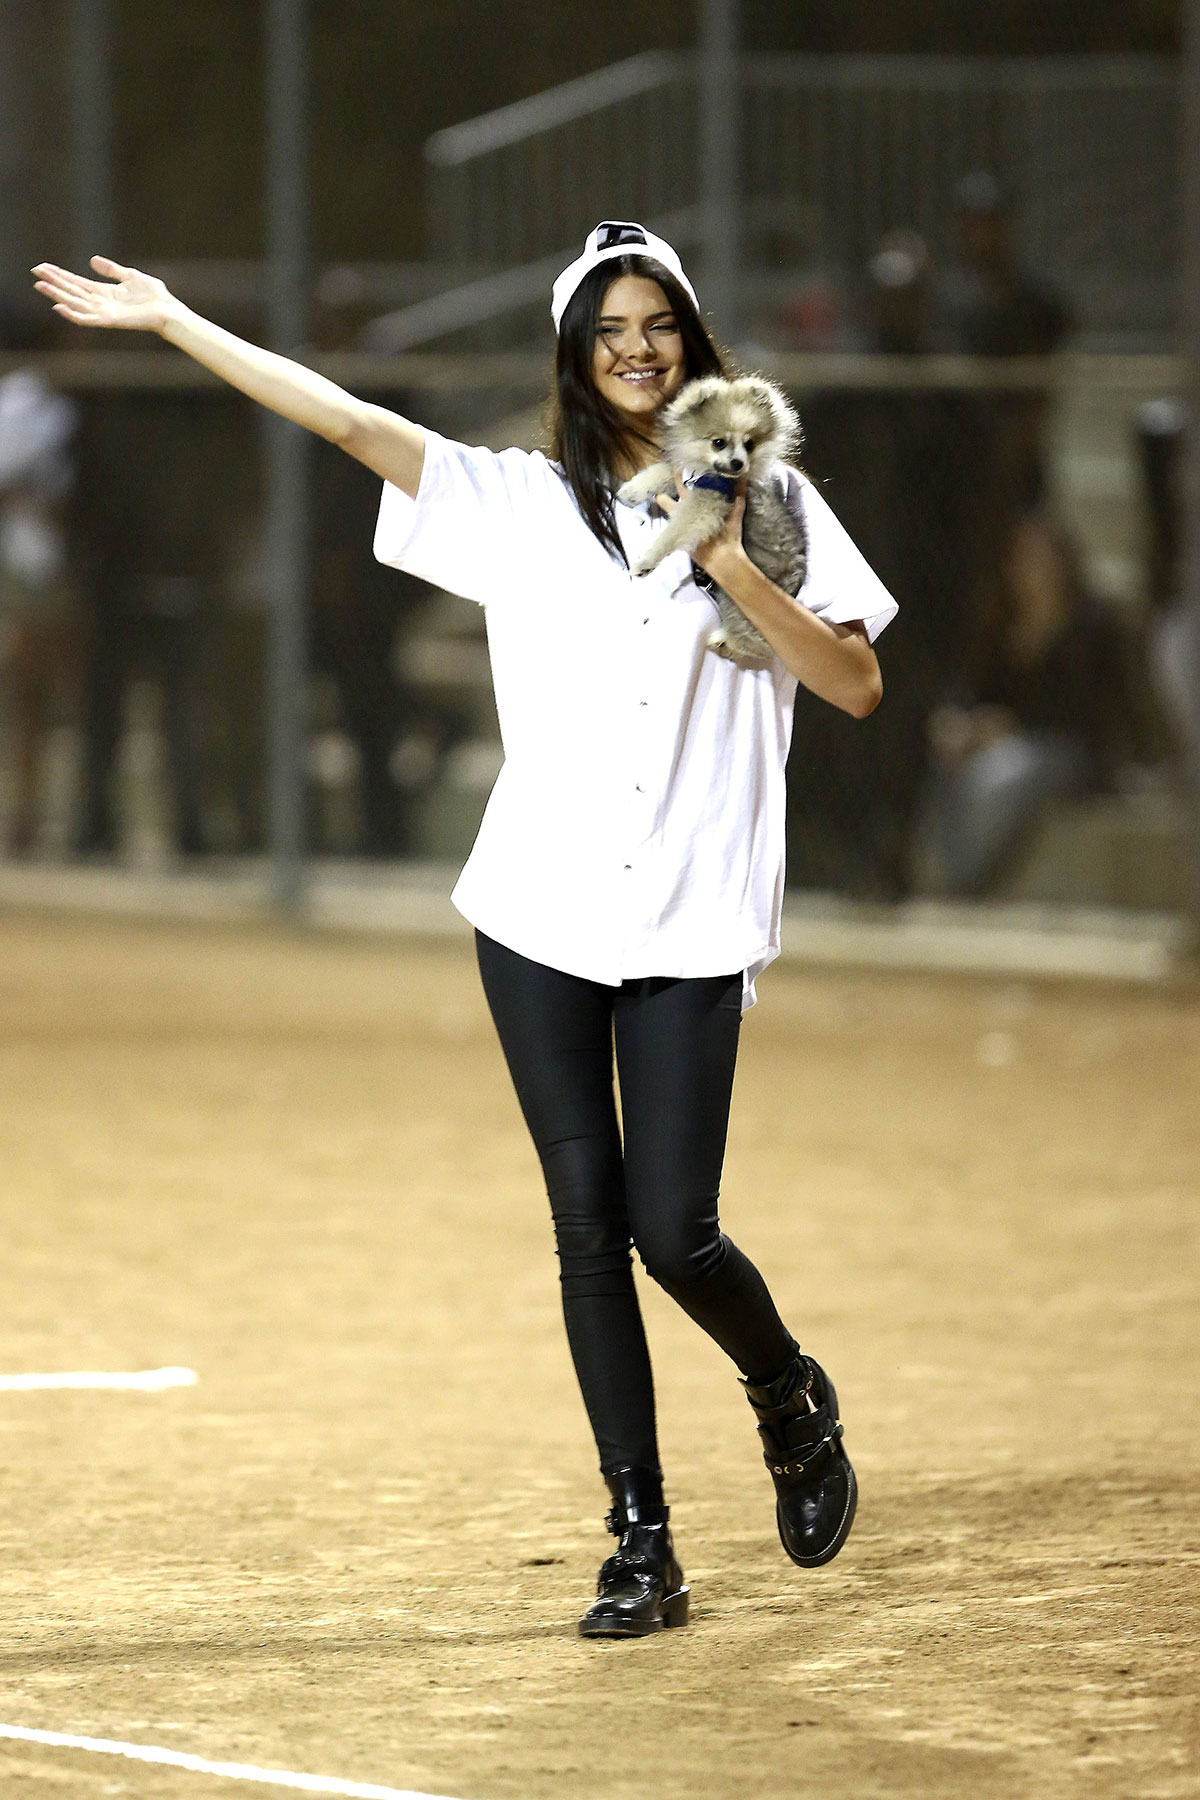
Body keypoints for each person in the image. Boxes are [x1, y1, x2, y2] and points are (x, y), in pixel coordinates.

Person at [33, 220, 896, 1639]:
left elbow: (856, 688)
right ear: (574, 351)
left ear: (688, 338)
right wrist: (180, 322)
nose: (637, 351)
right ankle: (641, 1541)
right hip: (538, 911)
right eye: (611, 331)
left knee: (676, 1232)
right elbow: (351, 418)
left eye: (658, 326)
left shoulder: (769, 496)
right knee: (585, 1228)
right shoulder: (512, 500)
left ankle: (789, 1397)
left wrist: (734, 568)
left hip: (690, 911)